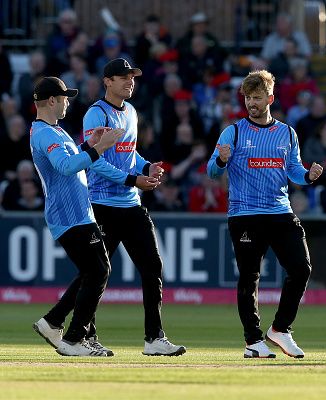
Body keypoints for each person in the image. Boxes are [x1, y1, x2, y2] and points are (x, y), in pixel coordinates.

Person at [46, 59, 187, 357]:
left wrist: (146, 167)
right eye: (123, 77)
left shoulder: (131, 112)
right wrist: (133, 179)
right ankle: (74, 331)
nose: (129, 82)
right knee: (95, 273)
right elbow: (95, 160)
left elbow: (129, 154)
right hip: (101, 204)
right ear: (107, 81)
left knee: (152, 267)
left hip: (131, 203)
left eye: (132, 77)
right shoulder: (96, 113)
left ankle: (154, 338)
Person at [207, 70, 323, 359]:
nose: (251, 103)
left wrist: (308, 176)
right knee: (249, 276)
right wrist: (221, 160)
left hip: (280, 211)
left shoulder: (287, 133)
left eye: (257, 98)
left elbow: (293, 169)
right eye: (248, 98)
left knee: (301, 268)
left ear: (270, 99)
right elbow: (212, 171)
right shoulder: (233, 132)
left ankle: (280, 329)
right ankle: (253, 341)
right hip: (245, 214)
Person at [30, 76, 123, 356]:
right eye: (64, 98)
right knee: (98, 271)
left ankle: (54, 323)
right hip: (69, 215)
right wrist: (100, 148)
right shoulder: (45, 133)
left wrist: (88, 144)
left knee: (92, 272)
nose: (67, 103)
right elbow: (66, 167)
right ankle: (73, 339)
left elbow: (72, 160)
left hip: (78, 213)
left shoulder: (54, 131)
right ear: (51, 101)